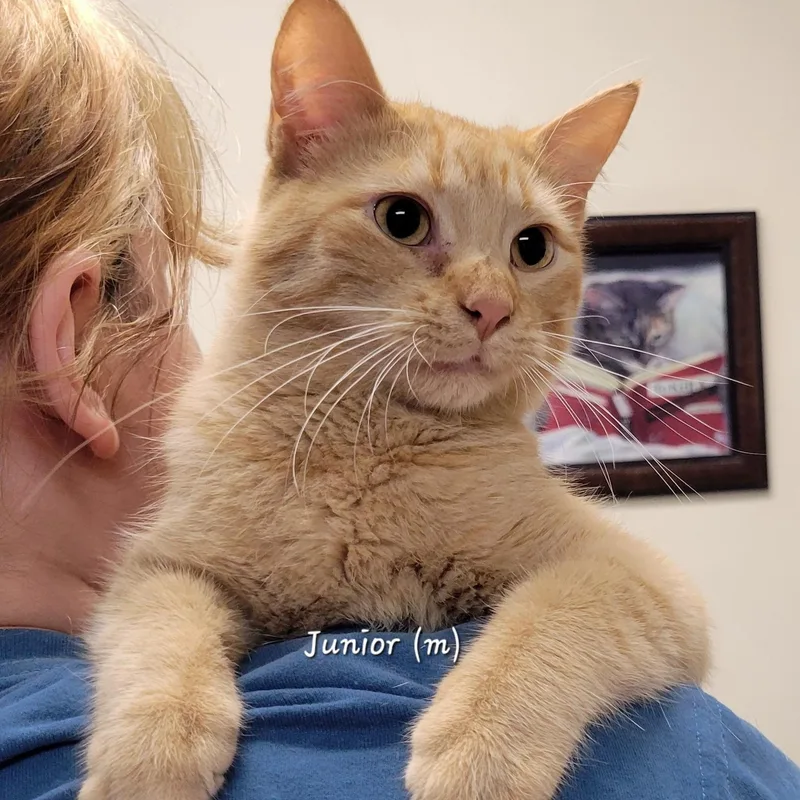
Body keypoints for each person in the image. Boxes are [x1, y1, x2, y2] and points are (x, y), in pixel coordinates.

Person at [0, 2, 798, 799]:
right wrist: (163, 691)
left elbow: (660, 604)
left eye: (531, 247)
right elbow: (178, 575)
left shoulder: (485, 459)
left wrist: (517, 701)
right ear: (305, 149)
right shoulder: (229, 426)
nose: (488, 299)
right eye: (406, 218)